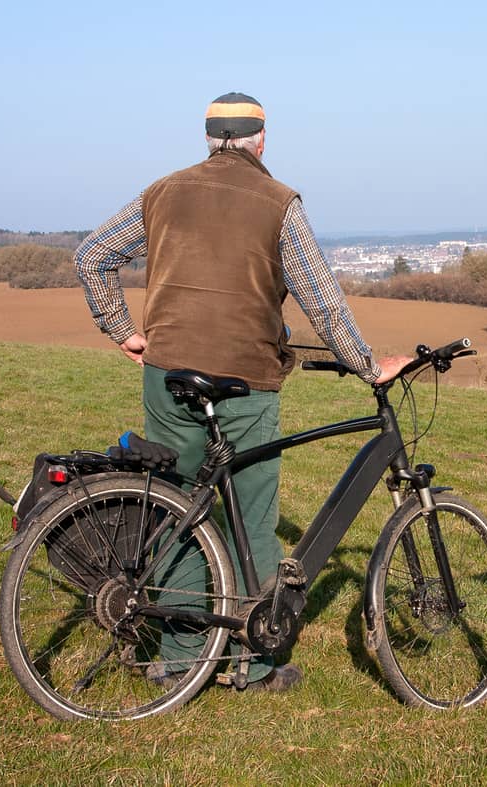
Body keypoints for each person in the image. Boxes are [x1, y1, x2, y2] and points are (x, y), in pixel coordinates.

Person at [74, 92, 409, 693]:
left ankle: (177, 656)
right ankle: (249, 665)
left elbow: (92, 255)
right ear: (261, 140)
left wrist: (123, 330)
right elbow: (322, 301)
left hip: (168, 371)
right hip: (247, 376)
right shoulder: (280, 203)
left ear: (208, 138)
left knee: (179, 502)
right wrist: (366, 365)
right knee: (250, 514)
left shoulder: (162, 192)